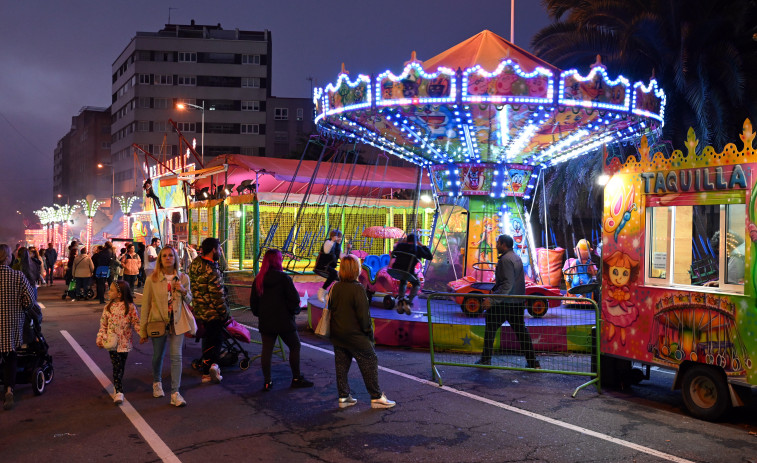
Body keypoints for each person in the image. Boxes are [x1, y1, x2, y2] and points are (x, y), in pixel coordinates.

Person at [328, 255, 395, 409]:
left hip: (338, 334)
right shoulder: (358, 288)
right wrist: (369, 334)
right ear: (355, 269)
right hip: (356, 336)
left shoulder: (336, 287)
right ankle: (377, 397)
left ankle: (343, 397)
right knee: (370, 361)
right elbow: (364, 317)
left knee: (341, 366)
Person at [250, 249, 314, 391]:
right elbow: (294, 300)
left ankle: (267, 382)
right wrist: (293, 312)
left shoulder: (259, 279)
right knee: (295, 346)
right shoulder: (284, 278)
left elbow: (253, 304)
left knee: (267, 350)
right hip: (284, 321)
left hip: (266, 321)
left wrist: (260, 314)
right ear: (278, 261)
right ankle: (296, 378)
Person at [139, 245, 192, 407]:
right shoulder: (152, 279)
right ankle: (157, 381)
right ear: (160, 260)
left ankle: (175, 393)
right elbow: (146, 305)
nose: (168, 258)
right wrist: (143, 331)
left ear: (176, 258)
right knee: (158, 356)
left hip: (177, 322)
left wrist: (183, 290)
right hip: (158, 321)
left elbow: (190, 301)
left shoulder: (183, 278)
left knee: (176, 357)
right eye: (164, 256)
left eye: (171, 255)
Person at [476, 234, 540, 369]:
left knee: (491, 328)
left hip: (505, 303)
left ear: (503, 244)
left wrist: (492, 300)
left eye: (498, 243)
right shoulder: (516, 257)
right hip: (516, 302)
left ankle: (486, 359)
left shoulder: (505, 260)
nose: (496, 245)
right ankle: (533, 362)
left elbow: (507, 285)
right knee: (521, 332)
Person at [188, 237, 228, 385]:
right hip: (213, 312)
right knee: (216, 340)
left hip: (199, 309)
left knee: (206, 341)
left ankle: (205, 373)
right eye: (219, 249)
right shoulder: (212, 269)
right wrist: (224, 312)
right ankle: (214, 366)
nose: (219, 252)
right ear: (213, 250)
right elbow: (217, 295)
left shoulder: (195, 265)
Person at [0, 243, 34, 410]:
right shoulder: (18, 276)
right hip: (10, 325)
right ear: (8, 258)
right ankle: (9, 390)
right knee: (10, 357)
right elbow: (29, 301)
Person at [96, 281, 140, 405]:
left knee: (121, 365)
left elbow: (136, 322)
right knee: (116, 366)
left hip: (125, 343)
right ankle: (118, 390)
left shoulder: (130, 307)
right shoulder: (108, 307)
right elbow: (103, 325)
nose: (108, 292)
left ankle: (118, 384)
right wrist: (100, 338)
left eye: (111, 290)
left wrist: (142, 334)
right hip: (112, 342)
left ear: (119, 294)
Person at [390, 233, 433, 314]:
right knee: (417, 284)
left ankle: (401, 300)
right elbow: (430, 257)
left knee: (403, 281)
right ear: (416, 241)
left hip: (396, 270)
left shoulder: (400, 246)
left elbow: (394, 254)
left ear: (407, 240)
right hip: (409, 272)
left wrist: (402, 243)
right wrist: (422, 245)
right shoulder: (417, 249)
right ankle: (408, 301)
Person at [315, 230, 344, 303]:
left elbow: (341, 257)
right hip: (323, 265)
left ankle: (330, 294)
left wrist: (347, 249)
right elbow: (326, 251)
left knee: (340, 278)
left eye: (340, 237)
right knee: (334, 274)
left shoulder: (339, 246)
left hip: (330, 266)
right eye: (339, 237)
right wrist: (332, 241)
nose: (340, 239)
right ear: (334, 237)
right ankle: (321, 291)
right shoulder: (328, 242)